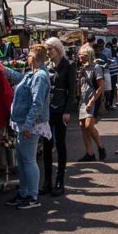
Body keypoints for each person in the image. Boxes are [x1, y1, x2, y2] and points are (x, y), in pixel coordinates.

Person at [8, 44, 51, 210]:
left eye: (29, 55)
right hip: (25, 122)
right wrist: (3, 70)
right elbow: (21, 78)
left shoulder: (40, 76)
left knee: (28, 160)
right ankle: (24, 193)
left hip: (30, 124)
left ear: (34, 58)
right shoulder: (33, 73)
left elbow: (37, 103)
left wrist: (27, 124)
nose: (26, 58)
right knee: (23, 159)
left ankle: (33, 196)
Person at [42, 37, 76, 196]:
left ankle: (59, 181)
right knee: (47, 146)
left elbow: (72, 91)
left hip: (61, 109)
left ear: (58, 49)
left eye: (50, 49)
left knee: (60, 145)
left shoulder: (68, 65)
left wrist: (68, 111)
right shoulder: (46, 66)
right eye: (47, 49)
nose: (48, 52)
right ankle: (47, 181)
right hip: (47, 110)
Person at [77, 44, 108, 161]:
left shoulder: (96, 68)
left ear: (88, 56)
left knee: (89, 125)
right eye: (79, 55)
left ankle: (101, 147)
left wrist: (91, 101)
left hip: (92, 99)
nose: (79, 57)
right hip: (83, 99)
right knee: (82, 126)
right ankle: (89, 153)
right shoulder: (83, 68)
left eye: (82, 55)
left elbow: (101, 87)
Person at [95, 39, 118, 113]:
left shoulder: (107, 51)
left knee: (108, 90)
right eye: (99, 47)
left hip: (106, 72)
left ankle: (107, 104)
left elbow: (110, 62)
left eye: (101, 46)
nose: (100, 48)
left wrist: (104, 65)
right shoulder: (93, 54)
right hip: (97, 73)